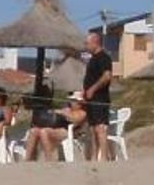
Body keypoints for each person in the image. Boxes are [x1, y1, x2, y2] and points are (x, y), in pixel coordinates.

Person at [26, 90, 88, 162]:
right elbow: (56, 112)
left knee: (44, 132)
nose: (72, 102)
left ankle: (49, 159)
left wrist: (63, 113)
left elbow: (74, 119)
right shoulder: (67, 109)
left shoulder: (82, 113)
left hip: (69, 132)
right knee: (33, 131)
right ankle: (28, 159)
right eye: (72, 100)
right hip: (57, 129)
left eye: (74, 101)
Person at [83, 32, 114, 161]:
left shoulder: (104, 57)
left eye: (87, 43)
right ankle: (95, 156)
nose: (85, 46)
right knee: (92, 129)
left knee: (100, 128)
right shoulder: (92, 59)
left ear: (95, 42)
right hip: (90, 99)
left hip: (99, 98)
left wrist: (93, 89)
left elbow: (107, 76)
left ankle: (104, 157)